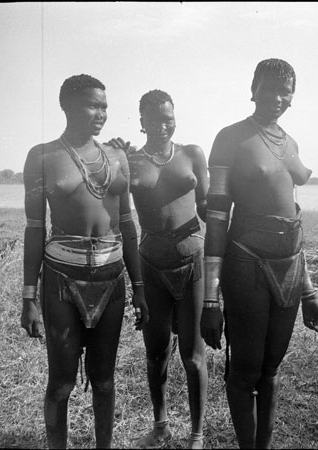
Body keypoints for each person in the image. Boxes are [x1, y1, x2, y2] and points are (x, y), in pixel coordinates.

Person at [20, 74, 149, 449]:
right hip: (62, 277)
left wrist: (139, 288)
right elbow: (33, 228)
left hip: (112, 277)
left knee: (105, 380)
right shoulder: (42, 157)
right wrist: (29, 298)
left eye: (105, 106)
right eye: (93, 105)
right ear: (67, 106)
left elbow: (127, 224)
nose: (101, 114)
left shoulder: (116, 156)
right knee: (61, 383)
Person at [200, 59, 318, 449]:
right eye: (269, 88)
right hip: (246, 265)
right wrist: (210, 299)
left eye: (285, 91)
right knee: (246, 371)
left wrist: (309, 292)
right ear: (252, 88)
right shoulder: (230, 138)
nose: (277, 98)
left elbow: (295, 221)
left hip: (290, 267)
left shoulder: (291, 142)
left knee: (270, 370)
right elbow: (217, 218)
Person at [108, 89, 208, 448]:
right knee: (155, 351)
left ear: (175, 117)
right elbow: (106, 182)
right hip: (151, 263)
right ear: (142, 123)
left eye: (168, 118)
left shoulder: (193, 154)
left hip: (192, 259)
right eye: (154, 120)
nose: (162, 126)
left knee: (193, 356)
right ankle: (161, 425)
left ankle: (197, 433)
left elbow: (210, 208)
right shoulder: (130, 159)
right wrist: (111, 148)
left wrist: (217, 277)